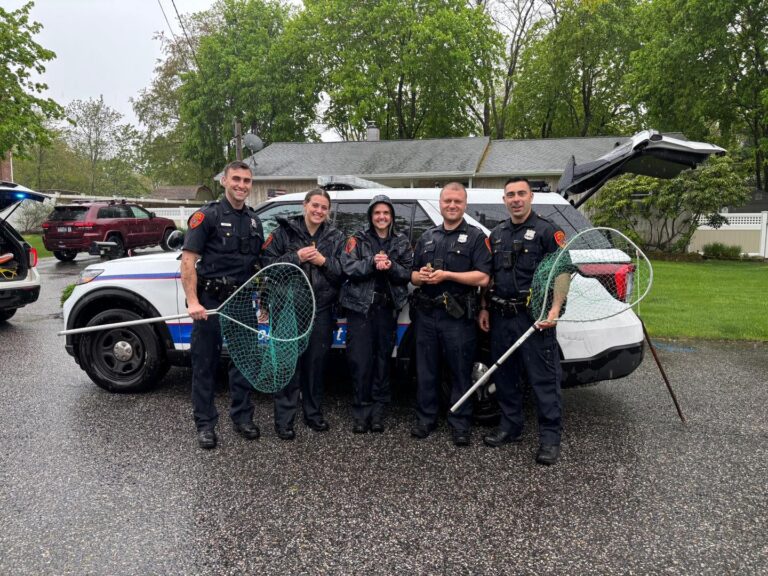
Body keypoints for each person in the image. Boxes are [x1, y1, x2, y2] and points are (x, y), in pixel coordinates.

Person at [478, 177, 568, 465]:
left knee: (543, 380)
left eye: (521, 194)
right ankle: (510, 427)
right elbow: (489, 276)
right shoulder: (497, 234)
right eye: (510, 195)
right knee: (505, 377)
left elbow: (563, 272)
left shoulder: (547, 231)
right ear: (504, 200)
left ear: (531, 197)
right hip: (501, 316)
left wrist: (553, 311)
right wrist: (483, 307)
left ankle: (550, 439)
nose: (516, 199)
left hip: (534, 318)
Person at [181, 160, 264, 449]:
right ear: (224, 182)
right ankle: (205, 425)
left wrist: (262, 301)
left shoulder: (255, 221)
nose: (242, 185)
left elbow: (258, 266)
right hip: (210, 300)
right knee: (205, 363)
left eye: (247, 181)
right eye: (236, 179)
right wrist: (193, 301)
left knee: (244, 362)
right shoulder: (207, 217)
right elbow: (188, 260)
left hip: (241, 300)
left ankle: (242, 417)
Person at [410, 182, 491, 446]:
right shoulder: (427, 237)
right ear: (441, 203)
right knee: (426, 371)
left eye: (457, 201)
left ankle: (460, 424)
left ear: (464, 204)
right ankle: (426, 419)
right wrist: (421, 277)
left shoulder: (477, 237)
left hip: (457, 317)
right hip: (426, 315)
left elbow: (483, 276)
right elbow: (412, 273)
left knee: (459, 372)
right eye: (447, 201)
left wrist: (447, 275)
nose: (452, 205)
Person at [262, 188, 345, 440]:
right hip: (288, 309)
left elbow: (343, 272)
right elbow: (265, 265)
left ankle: (313, 413)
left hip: (320, 309)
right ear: (305, 205)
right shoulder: (283, 232)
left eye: (324, 207)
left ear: (328, 212)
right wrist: (295, 257)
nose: (319, 211)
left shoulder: (335, 237)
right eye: (315, 205)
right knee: (287, 365)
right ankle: (284, 420)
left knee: (315, 365)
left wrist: (323, 262)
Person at [340, 195, 414, 433]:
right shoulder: (357, 239)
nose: (381, 217)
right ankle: (361, 412)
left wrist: (391, 266)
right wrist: (372, 262)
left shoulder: (402, 241)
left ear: (391, 216)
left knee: (383, 362)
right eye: (377, 213)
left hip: (386, 310)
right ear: (370, 216)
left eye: (386, 213)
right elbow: (348, 267)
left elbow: (408, 273)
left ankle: (379, 413)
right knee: (360, 362)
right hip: (360, 310)